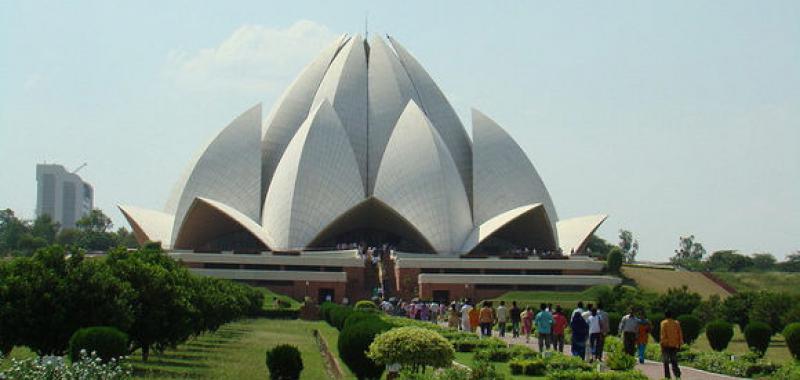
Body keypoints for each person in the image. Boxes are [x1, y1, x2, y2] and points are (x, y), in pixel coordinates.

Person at [660, 310, 683, 379]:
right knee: (674, 360)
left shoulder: (663, 323)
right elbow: (680, 333)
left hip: (666, 345)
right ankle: (677, 374)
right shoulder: (676, 323)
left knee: (666, 361)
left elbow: (662, 334)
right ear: (671, 315)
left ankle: (667, 377)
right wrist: (680, 343)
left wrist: (662, 344)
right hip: (674, 344)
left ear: (665, 316)